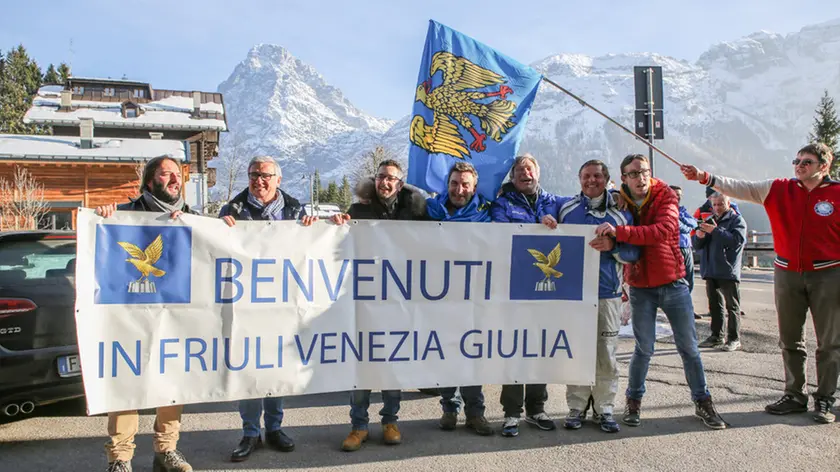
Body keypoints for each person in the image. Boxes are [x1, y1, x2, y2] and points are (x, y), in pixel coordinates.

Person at [681, 142, 840, 424]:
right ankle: (794, 394)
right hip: (787, 272)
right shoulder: (778, 188)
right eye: (797, 160)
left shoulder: (837, 193)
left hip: (828, 273)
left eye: (807, 162)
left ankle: (826, 398)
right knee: (790, 338)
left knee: (829, 341)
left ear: (824, 166)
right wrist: (705, 177)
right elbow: (739, 187)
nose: (799, 166)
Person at [594, 153, 726, 430]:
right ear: (624, 179)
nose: (640, 178)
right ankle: (634, 401)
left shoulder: (665, 195)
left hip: (673, 282)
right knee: (644, 349)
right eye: (633, 174)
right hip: (641, 285)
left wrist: (620, 232)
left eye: (643, 172)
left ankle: (702, 401)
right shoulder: (621, 200)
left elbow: (664, 230)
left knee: (689, 348)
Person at [94, 155, 195, 472]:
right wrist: (102, 218)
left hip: (175, 316)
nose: (174, 179)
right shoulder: (124, 215)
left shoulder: (193, 218)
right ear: (150, 181)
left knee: (171, 381)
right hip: (130, 318)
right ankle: (120, 457)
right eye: (166, 174)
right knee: (126, 384)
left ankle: (166, 450)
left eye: (177, 174)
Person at [219, 156, 317, 462]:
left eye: (265, 175)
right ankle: (250, 432)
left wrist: (316, 230)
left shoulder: (294, 209)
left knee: (276, 365)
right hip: (245, 303)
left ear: (278, 179)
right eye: (253, 175)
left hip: (282, 300)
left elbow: (308, 248)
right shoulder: (231, 210)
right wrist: (221, 229)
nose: (258, 180)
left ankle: (274, 428)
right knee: (249, 367)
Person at [330, 159, 427, 451]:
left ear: (400, 184)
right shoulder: (358, 210)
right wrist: (335, 226)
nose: (385, 183)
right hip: (363, 299)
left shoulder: (413, 211)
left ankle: (390, 421)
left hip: (398, 300)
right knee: (361, 366)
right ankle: (358, 426)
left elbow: (434, 242)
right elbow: (339, 244)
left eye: (392, 179)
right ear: (375, 180)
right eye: (381, 177)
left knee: (390, 364)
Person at [542, 159, 639, 433]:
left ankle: (604, 408)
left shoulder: (622, 213)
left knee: (606, 354)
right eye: (586, 176)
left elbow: (633, 253)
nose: (591, 181)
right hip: (574, 295)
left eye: (597, 176)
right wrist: (546, 216)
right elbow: (547, 206)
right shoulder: (567, 208)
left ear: (607, 179)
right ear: (579, 178)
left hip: (607, 293)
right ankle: (577, 406)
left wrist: (613, 245)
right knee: (576, 352)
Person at [490, 153, 557, 437]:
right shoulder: (502, 204)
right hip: (512, 286)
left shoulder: (555, 202)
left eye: (529, 168)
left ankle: (537, 408)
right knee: (515, 349)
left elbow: (579, 219)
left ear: (537, 173)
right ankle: (511, 412)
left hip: (545, 289)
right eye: (518, 170)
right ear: (512, 177)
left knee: (540, 348)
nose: (524, 173)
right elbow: (499, 234)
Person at [424, 161, 494, 436]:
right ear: (447, 184)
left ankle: (475, 413)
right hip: (438, 294)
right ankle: (449, 409)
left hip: (474, 295)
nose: (459, 189)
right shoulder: (430, 210)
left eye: (465, 184)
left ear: (474, 187)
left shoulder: (486, 212)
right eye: (454, 183)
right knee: (445, 351)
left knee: (470, 352)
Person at [693, 193, 747, 352]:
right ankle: (716, 336)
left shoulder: (736, 220)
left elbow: (736, 242)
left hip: (727, 269)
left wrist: (715, 231)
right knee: (715, 306)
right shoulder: (710, 220)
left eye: (720, 204)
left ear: (728, 203)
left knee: (732, 307)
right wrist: (700, 236)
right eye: (715, 205)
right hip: (710, 268)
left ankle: (734, 338)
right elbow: (698, 246)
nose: (717, 208)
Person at [670, 186, 698, 295]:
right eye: (676, 194)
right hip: (676, 248)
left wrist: (683, 219)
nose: (678, 197)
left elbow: (694, 223)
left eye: (679, 195)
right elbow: (679, 227)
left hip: (687, 247)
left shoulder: (681, 210)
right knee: (678, 279)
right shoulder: (666, 209)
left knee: (689, 278)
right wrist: (688, 226)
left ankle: (689, 307)